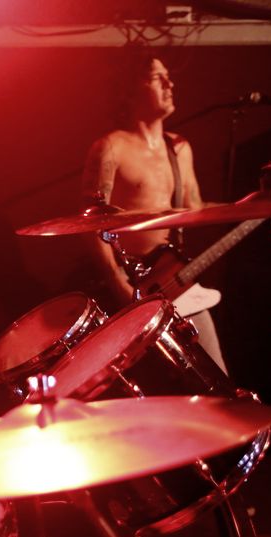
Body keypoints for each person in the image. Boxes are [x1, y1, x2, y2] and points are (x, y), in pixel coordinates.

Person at [80, 50, 227, 370]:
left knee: (216, 379)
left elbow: (196, 209)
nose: (169, 84)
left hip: (174, 280)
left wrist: (254, 204)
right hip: (130, 284)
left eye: (168, 77)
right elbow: (90, 225)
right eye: (157, 78)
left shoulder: (179, 147)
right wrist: (118, 284)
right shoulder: (111, 147)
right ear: (131, 89)